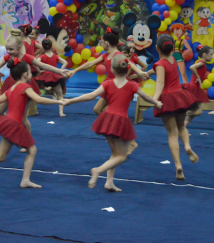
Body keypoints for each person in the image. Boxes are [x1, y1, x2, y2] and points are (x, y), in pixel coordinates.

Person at [63, 54, 162, 191]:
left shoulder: (108, 83)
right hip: (120, 121)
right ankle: (98, 170)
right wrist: (157, 102)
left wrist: (70, 100)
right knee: (121, 156)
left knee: (115, 154)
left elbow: (90, 95)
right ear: (128, 70)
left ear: (113, 70)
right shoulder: (132, 85)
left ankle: (109, 182)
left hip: (107, 120)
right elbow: (146, 96)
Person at [0, 58, 63, 189]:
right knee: (32, 150)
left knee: (0, 157)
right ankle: (25, 180)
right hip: (14, 124)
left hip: (8, 123)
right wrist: (59, 101)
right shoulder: (25, 87)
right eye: (30, 72)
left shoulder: (11, 89)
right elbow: (39, 100)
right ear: (25, 75)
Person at [0, 29, 69, 151]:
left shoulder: (27, 57)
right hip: (11, 85)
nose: (9, 52)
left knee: (23, 118)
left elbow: (44, 66)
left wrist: (60, 71)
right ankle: (13, 126)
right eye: (7, 49)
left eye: (12, 49)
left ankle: (26, 142)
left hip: (25, 87)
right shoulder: (7, 57)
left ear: (19, 47)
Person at [69, 28, 149, 155]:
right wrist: (74, 71)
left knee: (120, 114)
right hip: (109, 86)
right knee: (97, 110)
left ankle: (131, 141)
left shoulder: (119, 55)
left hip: (120, 86)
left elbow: (131, 64)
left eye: (101, 42)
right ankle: (112, 130)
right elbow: (90, 64)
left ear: (106, 43)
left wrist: (140, 72)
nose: (101, 45)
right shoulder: (105, 56)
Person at [147, 34, 198, 180]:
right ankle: (187, 146)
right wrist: (147, 73)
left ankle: (178, 165)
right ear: (172, 48)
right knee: (181, 126)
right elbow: (160, 70)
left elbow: (161, 82)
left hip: (167, 99)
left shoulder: (159, 64)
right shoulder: (174, 59)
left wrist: (155, 99)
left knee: (172, 133)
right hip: (179, 96)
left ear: (157, 48)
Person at [35, 38, 68, 117]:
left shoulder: (42, 56)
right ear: (51, 46)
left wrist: (39, 71)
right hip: (54, 77)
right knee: (60, 95)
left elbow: (35, 63)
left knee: (40, 88)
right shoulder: (55, 56)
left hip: (45, 76)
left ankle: (48, 89)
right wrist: (60, 70)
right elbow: (65, 62)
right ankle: (61, 112)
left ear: (43, 47)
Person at [182, 45, 212, 125]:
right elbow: (192, 67)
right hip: (193, 89)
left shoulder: (203, 63)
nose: (212, 57)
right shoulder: (201, 63)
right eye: (211, 54)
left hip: (197, 89)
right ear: (204, 55)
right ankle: (180, 113)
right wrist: (198, 77)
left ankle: (182, 129)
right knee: (197, 112)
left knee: (192, 115)